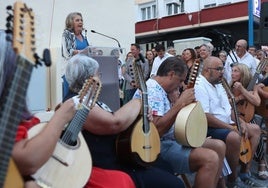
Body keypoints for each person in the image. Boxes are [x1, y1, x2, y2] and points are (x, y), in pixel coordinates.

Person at [64, 54, 185, 188]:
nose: (100, 78)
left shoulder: (88, 99)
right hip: (108, 165)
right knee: (174, 184)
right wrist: (138, 103)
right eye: (98, 74)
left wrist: (139, 117)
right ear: (89, 78)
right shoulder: (78, 102)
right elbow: (114, 123)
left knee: (164, 166)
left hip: (122, 157)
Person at [134, 56, 226, 188]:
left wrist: (175, 103)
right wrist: (180, 103)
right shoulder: (152, 90)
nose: (180, 85)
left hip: (174, 139)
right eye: (180, 80)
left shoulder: (162, 90)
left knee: (218, 146)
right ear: (171, 74)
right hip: (158, 146)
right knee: (210, 158)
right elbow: (156, 131)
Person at [195, 56, 263, 187]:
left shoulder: (219, 83)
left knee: (255, 129)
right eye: (219, 69)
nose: (223, 71)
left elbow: (229, 110)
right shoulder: (200, 85)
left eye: (222, 68)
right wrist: (230, 127)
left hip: (226, 123)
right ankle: (233, 179)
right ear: (208, 70)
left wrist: (240, 122)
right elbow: (206, 116)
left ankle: (245, 172)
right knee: (234, 136)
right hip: (210, 126)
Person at [230, 63, 268, 180]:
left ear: (243, 73)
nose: (232, 73)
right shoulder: (229, 85)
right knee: (256, 129)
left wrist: (243, 90)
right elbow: (228, 103)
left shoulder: (250, 86)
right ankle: (259, 164)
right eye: (232, 71)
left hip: (249, 117)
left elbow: (256, 102)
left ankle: (248, 167)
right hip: (234, 118)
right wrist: (240, 97)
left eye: (236, 71)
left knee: (255, 127)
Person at [61, 12, 89, 99]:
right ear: (71, 23)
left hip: (83, 73)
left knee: (82, 100)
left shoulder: (84, 36)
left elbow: (89, 51)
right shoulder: (67, 34)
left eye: (81, 20)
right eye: (77, 20)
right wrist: (82, 51)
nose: (80, 22)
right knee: (71, 100)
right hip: (71, 72)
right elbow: (67, 52)